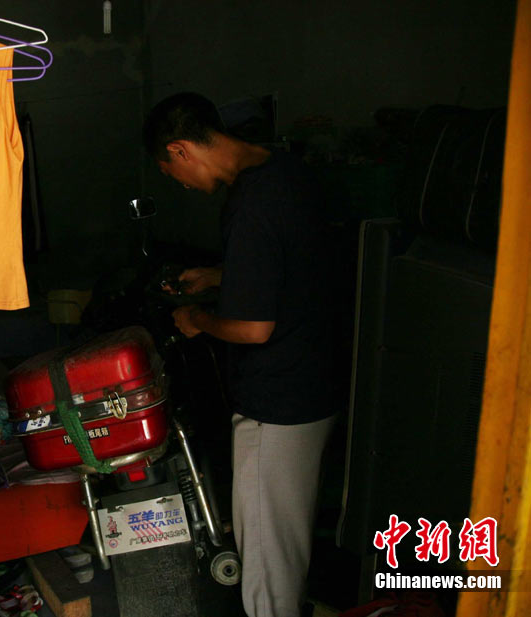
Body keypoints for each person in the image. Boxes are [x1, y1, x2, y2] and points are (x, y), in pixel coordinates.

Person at [143, 92, 336, 617]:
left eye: (171, 172)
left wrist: (197, 319)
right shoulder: (284, 171)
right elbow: (289, 263)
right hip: (315, 386)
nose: (181, 183)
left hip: (276, 406)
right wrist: (220, 276)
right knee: (289, 543)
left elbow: (252, 329)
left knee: (269, 567)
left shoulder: (248, 207)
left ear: (180, 150)